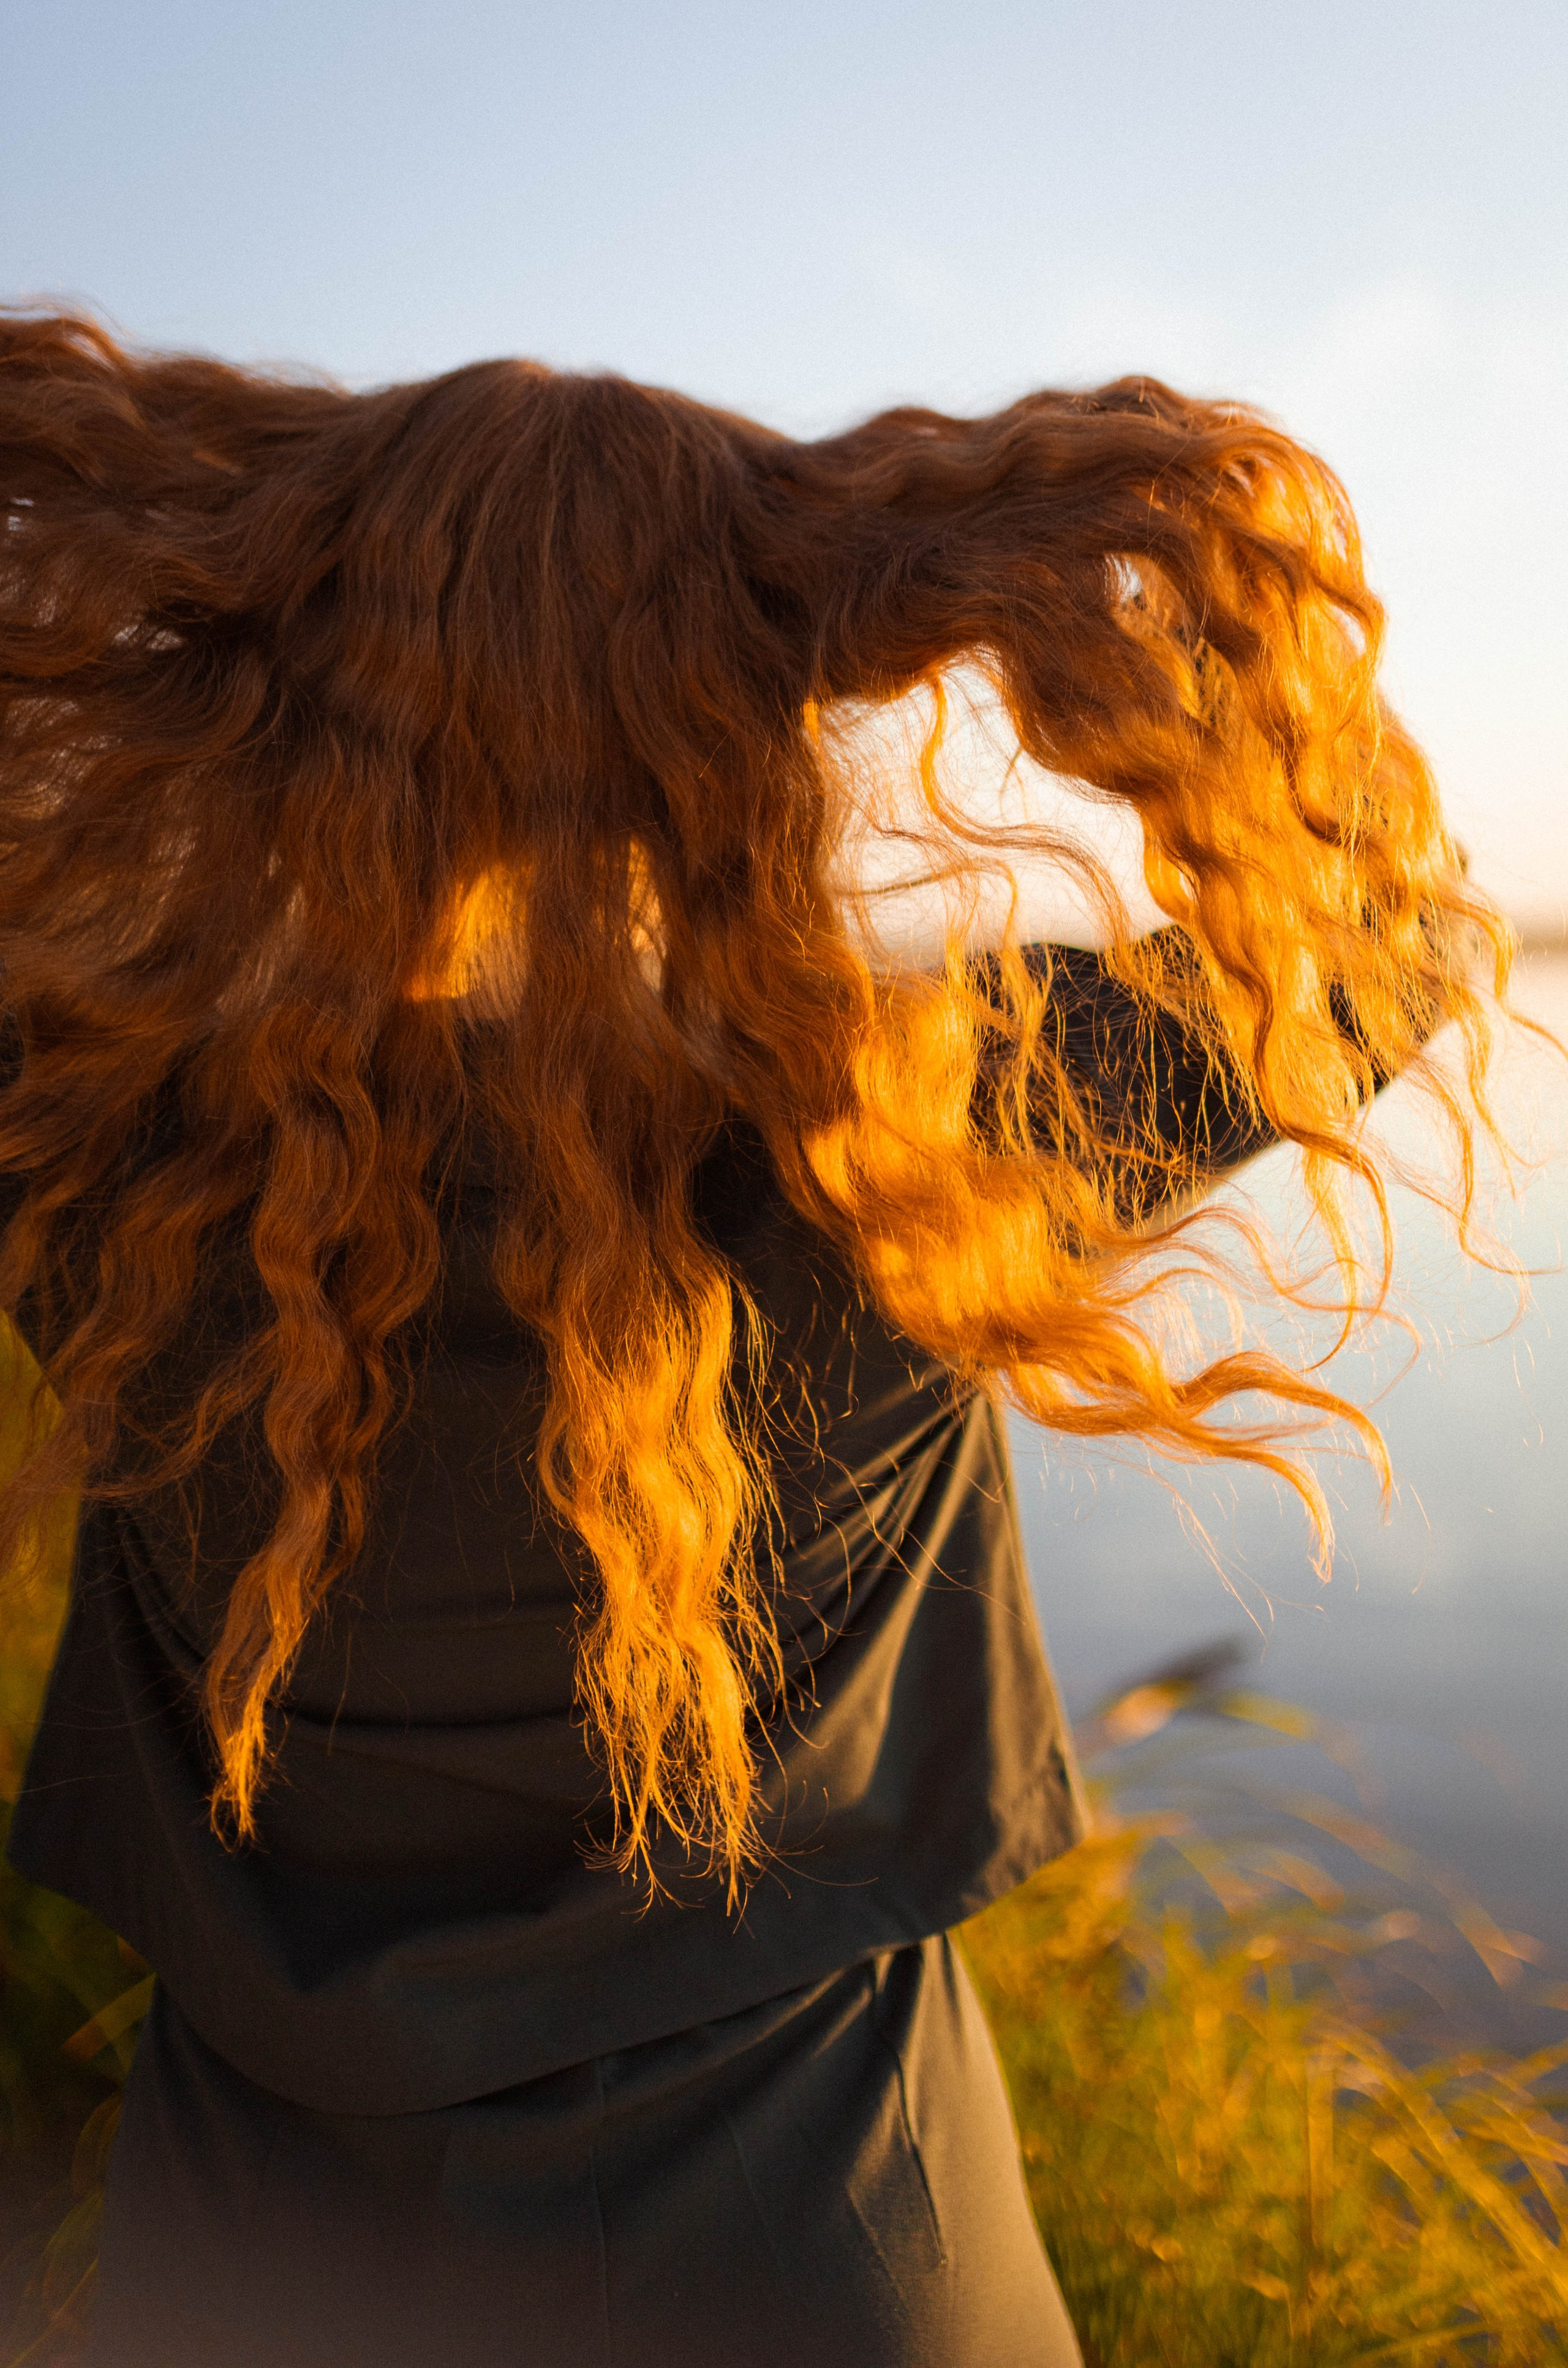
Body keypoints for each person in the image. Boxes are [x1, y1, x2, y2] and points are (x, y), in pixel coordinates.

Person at [0, 310, 1503, 2367]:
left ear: (292, 697)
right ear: (742, 702)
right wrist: (887, 557)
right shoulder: (897, 1127)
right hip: (826, 2247)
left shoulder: (101, 1143)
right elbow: (1399, 939)